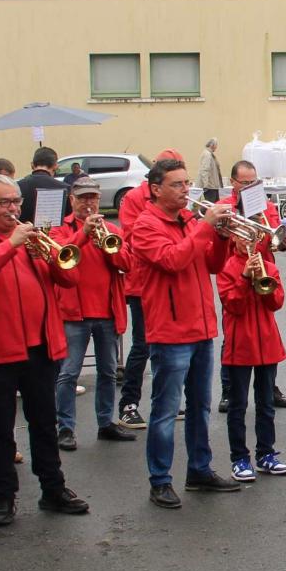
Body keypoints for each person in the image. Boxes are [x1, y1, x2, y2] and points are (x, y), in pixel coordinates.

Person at [0, 177, 91, 527]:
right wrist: (9, 245)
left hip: (40, 346)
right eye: (5, 202)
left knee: (44, 422)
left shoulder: (31, 238)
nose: (14, 208)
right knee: (0, 428)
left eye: (16, 202)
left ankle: (52, 488)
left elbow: (70, 280)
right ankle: (3, 495)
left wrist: (53, 255)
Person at [125, 156, 242, 507]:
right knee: (165, 410)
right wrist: (205, 228)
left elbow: (213, 265)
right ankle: (160, 479)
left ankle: (199, 470)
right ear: (156, 189)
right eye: (177, 184)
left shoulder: (189, 219)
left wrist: (221, 237)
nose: (185, 190)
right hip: (170, 330)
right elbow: (173, 260)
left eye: (186, 182)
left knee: (200, 406)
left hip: (201, 326)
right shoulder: (145, 226)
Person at [51, 177, 135, 449]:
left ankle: (105, 422)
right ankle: (65, 427)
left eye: (93, 198)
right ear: (72, 200)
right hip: (73, 312)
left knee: (108, 372)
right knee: (68, 373)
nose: (88, 203)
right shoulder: (58, 230)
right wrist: (84, 234)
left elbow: (127, 263)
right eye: (83, 198)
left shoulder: (111, 229)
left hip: (106, 310)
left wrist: (107, 248)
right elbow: (60, 259)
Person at [114, 147, 183, 430]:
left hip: (168, 285)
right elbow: (132, 237)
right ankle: (128, 405)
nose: (181, 188)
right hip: (141, 284)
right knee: (142, 345)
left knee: (166, 346)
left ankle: (165, 400)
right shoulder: (133, 198)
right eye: (175, 182)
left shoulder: (179, 204)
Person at [217, 217, 286, 481]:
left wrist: (262, 278)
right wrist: (245, 278)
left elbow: (276, 303)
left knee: (266, 404)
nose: (247, 243)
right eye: (242, 237)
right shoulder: (227, 269)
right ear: (234, 238)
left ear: (259, 240)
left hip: (267, 344)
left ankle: (266, 454)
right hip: (240, 345)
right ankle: (239, 458)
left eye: (252, 238)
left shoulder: (269, 266)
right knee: (237, 405)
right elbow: (232, 306)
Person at [17, 146, 69, 225]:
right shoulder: (65, 188)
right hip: (56, 236)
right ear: (55, 166)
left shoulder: (17, 187)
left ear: (32, 165)